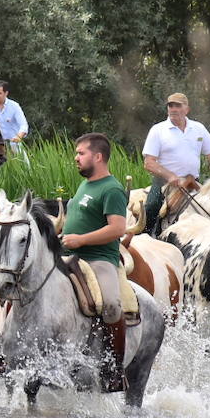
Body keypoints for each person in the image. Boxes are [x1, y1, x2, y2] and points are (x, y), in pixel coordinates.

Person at [62, 133, 140, 391]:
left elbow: (118, 229)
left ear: (97, 156)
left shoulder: (112, 189)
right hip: (71, 255)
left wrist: (81, 240)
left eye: (81, 153)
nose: (76, 158)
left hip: (99, 259)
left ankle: (115, 369)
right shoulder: (85, 186)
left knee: (110, 305)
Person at [141, 93, 210, 235]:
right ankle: (144, 237)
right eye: (170, 105)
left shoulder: (198, 128)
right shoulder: (158, 130)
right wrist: (170, 175)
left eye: (178, 105)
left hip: (193, 183)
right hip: (164, 183)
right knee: (151, 206)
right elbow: (149, 163)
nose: (173, 109)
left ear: (187, 109)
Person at [0, 81, 28, 151]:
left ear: (6, 93)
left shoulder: (14, 106)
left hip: (14, 144)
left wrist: (19, 136)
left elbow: (23, 125)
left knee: (24, 162)